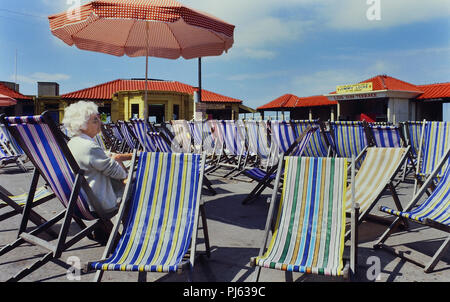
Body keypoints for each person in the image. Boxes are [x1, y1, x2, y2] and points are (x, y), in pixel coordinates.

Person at [62, 101, 132, 243]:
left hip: (79, 201)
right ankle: (128, 236)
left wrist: (110, 158)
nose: (99, 122)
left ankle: (103, 231)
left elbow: (95, 161)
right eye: (95, 120)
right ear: (81, 124)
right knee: (134, 186)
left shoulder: (73, 143)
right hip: (99, 203)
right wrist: (117, 161)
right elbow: (119, 173)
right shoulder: (90, 147)